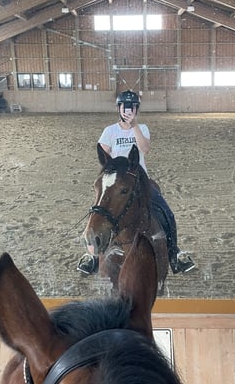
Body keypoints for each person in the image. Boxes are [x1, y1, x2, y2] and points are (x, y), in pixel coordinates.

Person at [78, 90, 196, 275]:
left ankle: (174, 253)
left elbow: (145, 149)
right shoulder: (110, 131)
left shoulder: (142, 128)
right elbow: (104, 157)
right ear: (119, 108)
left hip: (140, 181)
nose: (128, 109)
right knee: (99, 211)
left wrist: (134, 126)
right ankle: (92, 255)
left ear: (136, 109)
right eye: (125, 106)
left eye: (132, 106)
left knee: (167, 213)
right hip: (117, 181)